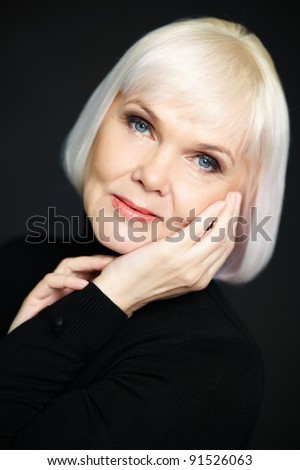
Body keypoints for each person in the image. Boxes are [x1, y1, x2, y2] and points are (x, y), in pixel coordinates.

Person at [0, 16, 289, 450]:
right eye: (141, 124)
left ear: (244, 202)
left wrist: (111, 297)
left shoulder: (213, 370)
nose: (152, 175)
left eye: (205, 160)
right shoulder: (15, 260)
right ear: (101, 119)